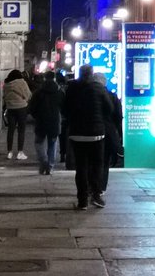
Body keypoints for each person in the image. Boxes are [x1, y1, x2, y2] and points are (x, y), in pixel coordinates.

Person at [60, 64, 116, 209]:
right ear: (91, 74)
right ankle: (96, 195)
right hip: (96, 134)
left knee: (81, 167)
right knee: (97, 165)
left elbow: (64, 109)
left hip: (77, 134)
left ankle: (82, 201)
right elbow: (109, 108)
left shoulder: (72, 88)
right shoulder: (98, 88)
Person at [94, 72, 124, 195]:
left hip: (92, 133)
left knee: (92, 161)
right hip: (108, 133)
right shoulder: (112, 96)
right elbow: (118, 117)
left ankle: (92, 186)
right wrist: (118, 133)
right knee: (105, 161)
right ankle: (101, 187)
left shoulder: (88, 96)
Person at [28, 70, 62, 175]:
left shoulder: (38, 92)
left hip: (41, 121)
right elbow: (63, 106)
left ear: (44, 78)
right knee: (52, 143)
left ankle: (44, 161)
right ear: (54, 78)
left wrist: (36, 116)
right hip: (54, 121)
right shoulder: (59, 92)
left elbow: (31, 108)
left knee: (39, 143)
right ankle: (50, 166)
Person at [2, 69, 31, 160]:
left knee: (11, 130)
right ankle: (20, 152)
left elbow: (4, 96)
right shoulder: (22, 83)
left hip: (10, 108)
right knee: (21, 130)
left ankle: (9, 152)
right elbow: (28, 95)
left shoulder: (6, 84)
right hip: (21, 108)